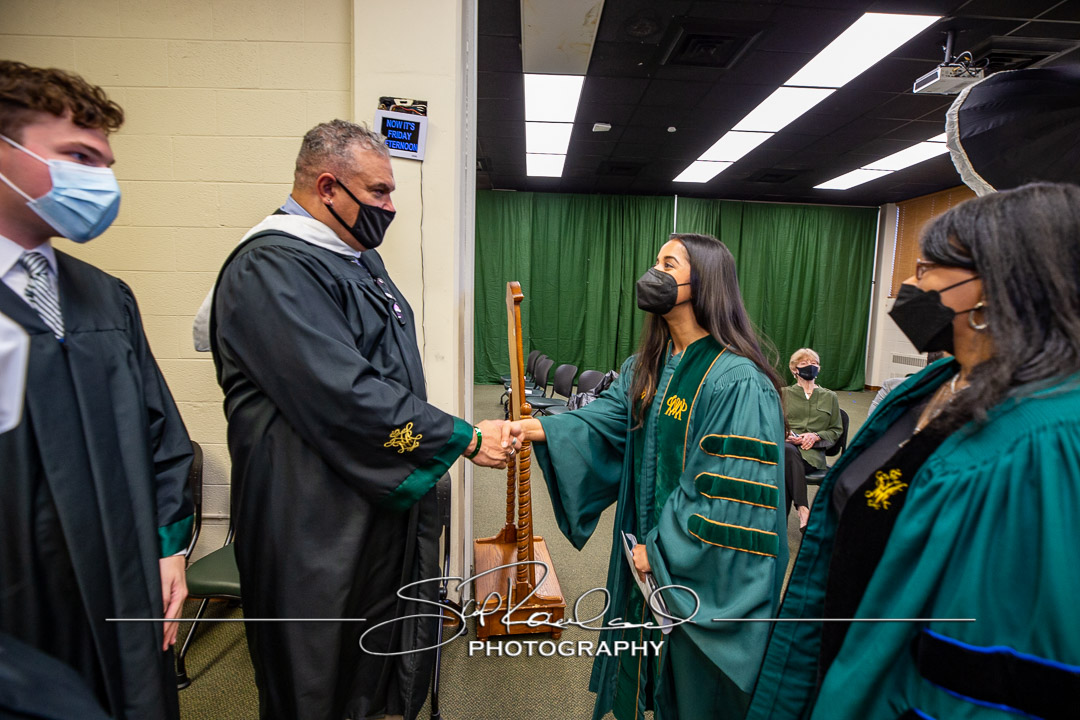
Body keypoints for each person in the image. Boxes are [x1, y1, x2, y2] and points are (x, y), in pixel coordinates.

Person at [209, 119, 518, 720]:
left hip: (367, 504)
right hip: (310, 518)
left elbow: (383, 380)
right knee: (319, 673)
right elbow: (344, 393)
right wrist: (462, 435)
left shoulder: (358, 260)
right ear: (328, 188)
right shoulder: (271, 268)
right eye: (378, 192)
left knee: (377, 661)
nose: (390, 207)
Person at [747, 183, 1080, 720]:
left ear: (995, 288)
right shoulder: (931, 386)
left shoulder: (1042, 441)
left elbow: (998, 661)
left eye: (925, 270)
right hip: (846, 649)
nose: (906, 284)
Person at [500, 233, 788, 720]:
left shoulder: (737, 380)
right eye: (655, 260)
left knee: (694, 688)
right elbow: (605, 421)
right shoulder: (647, 366)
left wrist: (659, 550)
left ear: (705, 282)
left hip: (690, 563)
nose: (653, 272)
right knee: (645, 669)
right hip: (643, 550)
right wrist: (533, 428)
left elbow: (731, 493)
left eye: (668, 264)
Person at [0, 62, 193, 719]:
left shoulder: (105, 299)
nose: (99, 182)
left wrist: (170, 550)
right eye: (78, 157)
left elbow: (162, 436)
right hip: (21, 611)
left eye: (105, 163)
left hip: (128, 586)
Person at [782, 348, 843, 530]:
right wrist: (785, 434)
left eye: (814, 363)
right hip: (787, 448)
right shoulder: (783, 393)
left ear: (819, 368)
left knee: (786, 465)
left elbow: (836, 430)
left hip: (812, 457)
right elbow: (772, 423)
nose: (810, 366)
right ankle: (803, 509)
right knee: (787, 452)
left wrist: (816, 436)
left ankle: (779, 526)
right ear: (794, 369)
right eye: (804, 363)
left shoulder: (830, 396)